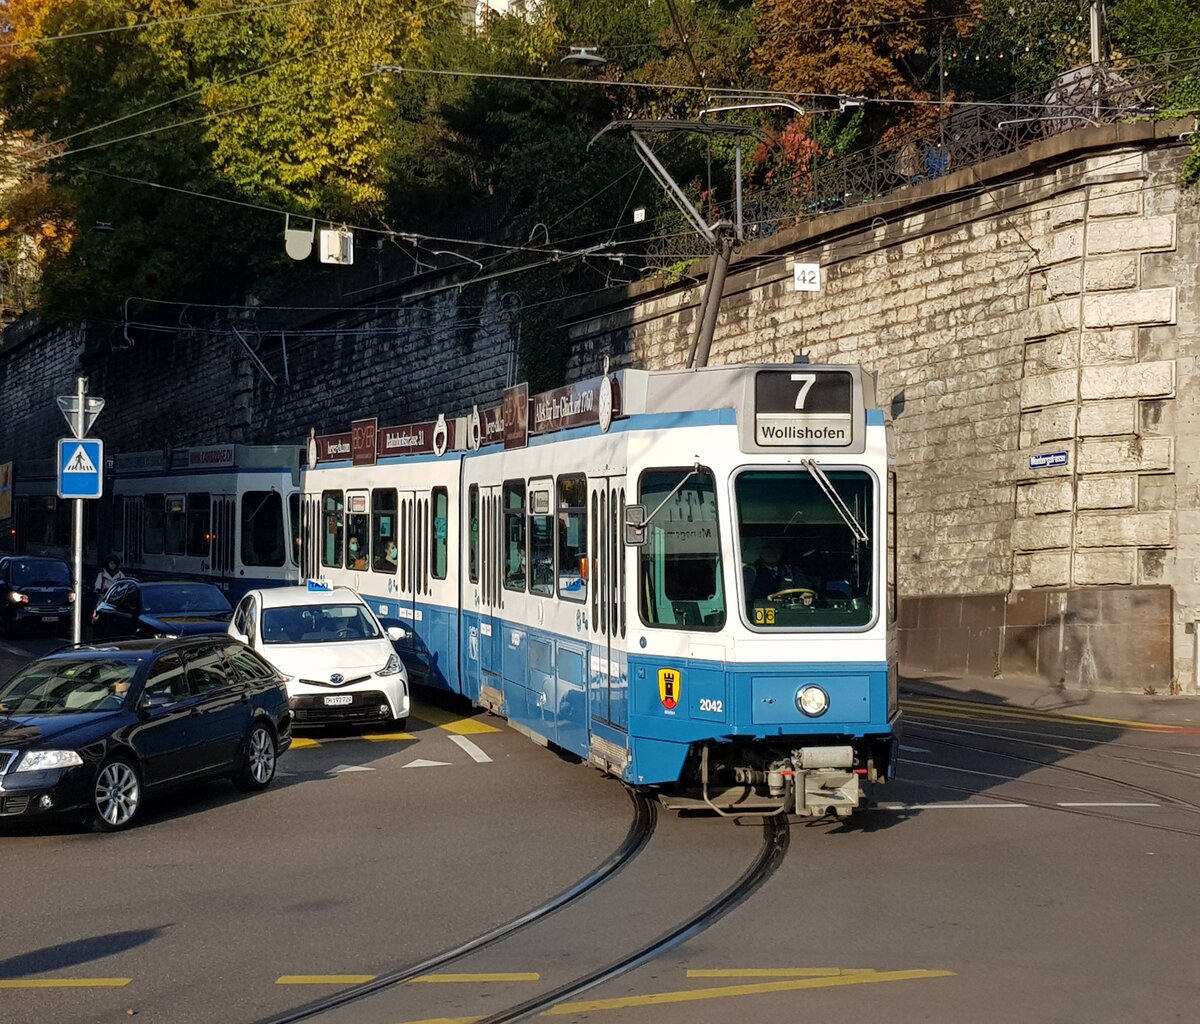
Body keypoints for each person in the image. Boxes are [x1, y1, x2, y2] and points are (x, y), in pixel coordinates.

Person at [749, 540, 816, 602]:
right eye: (768, 548)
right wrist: (767, 598)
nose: (773, 551)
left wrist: (806, 594)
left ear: (781, 552)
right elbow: (746, 597)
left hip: (788, 611)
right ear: (760, 551)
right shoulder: (751, 571)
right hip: (762, 610)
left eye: (777, 548)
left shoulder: (791, 570)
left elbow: (805, 586)